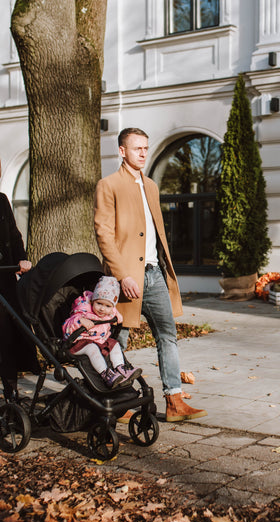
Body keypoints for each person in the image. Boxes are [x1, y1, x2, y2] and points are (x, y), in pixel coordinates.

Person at [94, 127, 207, 421]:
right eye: (136, 148)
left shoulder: (152, 186)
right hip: (124, 280)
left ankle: (174, 400)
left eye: (145, 148)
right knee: (118, 340)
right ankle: (116, 402)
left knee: (167, 334)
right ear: (122, 151)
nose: (143, 153)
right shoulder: (108, 185)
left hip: (154, 274)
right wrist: (122, 276)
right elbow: (104, 235)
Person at [62, 275, 142, 389]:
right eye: (99, 304)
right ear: (93, 300)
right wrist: (80, 321)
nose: (102, 309)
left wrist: (117, 315)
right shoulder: (83, 310)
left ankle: (121, 369)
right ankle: (106, 375)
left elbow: (113, 310)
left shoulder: (109, 310)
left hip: (99, 341)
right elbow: (67, 325)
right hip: (79, 344)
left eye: (107, 306)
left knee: (115, 344)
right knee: (92, 348)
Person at [0, 186, 40, 403]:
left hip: (4, 279)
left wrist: (21, 260)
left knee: (9, 335)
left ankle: (11, 392)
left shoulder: (2, 200)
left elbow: (14, 237)